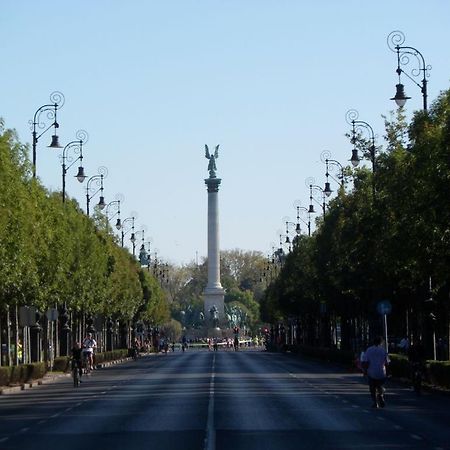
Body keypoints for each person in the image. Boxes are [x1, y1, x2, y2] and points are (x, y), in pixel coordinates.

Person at [361, 336, 390, 408]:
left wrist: (364, 371)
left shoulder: (369, 350)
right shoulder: (383, 350)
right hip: (381, 372)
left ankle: (375, 402)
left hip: (371, 372)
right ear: (381, 342)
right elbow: (387, 362)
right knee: (380, 386)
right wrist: (388, 372)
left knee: (372, 388)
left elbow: (365, 362)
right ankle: (381, 395)